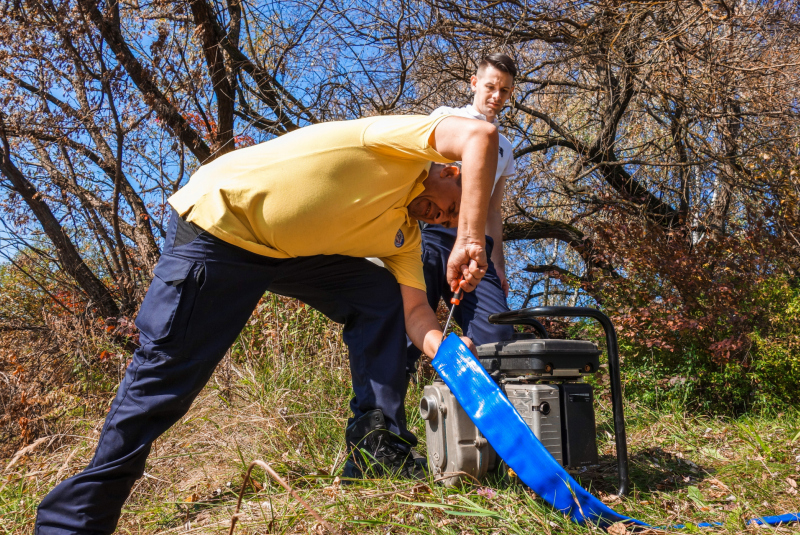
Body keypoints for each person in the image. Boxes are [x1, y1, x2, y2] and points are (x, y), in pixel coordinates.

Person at [35, 114, 499, 535]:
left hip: (287, 255)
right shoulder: (402, 146)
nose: (445, 218)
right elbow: (480, 134)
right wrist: (470, 236)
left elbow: (414, 313)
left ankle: (375, 448)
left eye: (451, 220)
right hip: (220, 230)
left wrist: (443, 348)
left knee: (378, 297)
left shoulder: (404, 237)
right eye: (452, 208)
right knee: (164, 382)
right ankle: (71, 525)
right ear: (449, 170)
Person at [407, 53, 518, 375]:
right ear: (474, 83)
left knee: (496, 330)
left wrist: (497, 265)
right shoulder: (447, 117)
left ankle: (487, 411)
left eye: (505, 91)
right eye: (491, 87)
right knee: (407, 322)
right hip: (431, 236)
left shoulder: (506, 148)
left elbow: (493, 211)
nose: (496, 97)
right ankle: (385, 416)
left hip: (475, 248)